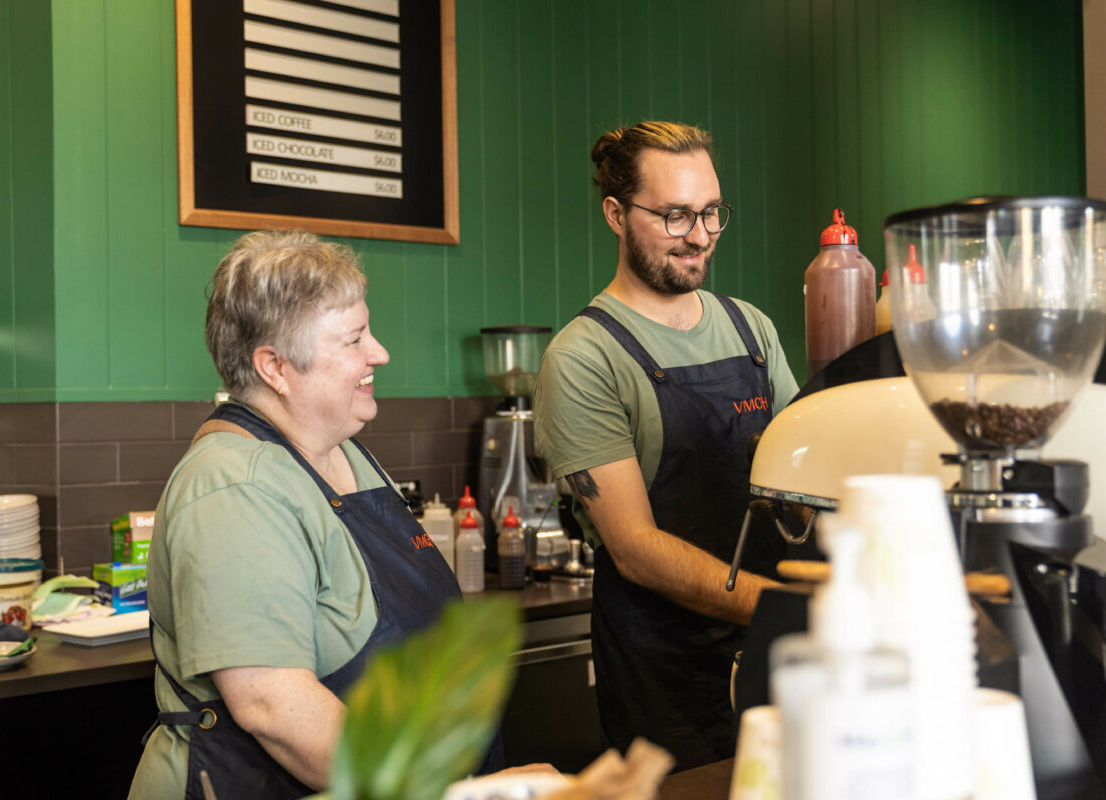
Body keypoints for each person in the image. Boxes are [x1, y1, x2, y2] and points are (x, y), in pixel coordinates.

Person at [128, 231, 503, 799]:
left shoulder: (343, 451)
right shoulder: (235, 489)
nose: (379, 353)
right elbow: (274, 708)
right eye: (354, 339)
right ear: (275, 367)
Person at [532, 122, 800, 771]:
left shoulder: (751, 329)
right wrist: (790, 609)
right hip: (666, 681)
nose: (702, 235)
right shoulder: (584, 357)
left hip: (776, 657)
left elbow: (802, 475)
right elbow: (638, 550)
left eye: (711, 213)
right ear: (616, 214)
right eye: (676, 216)